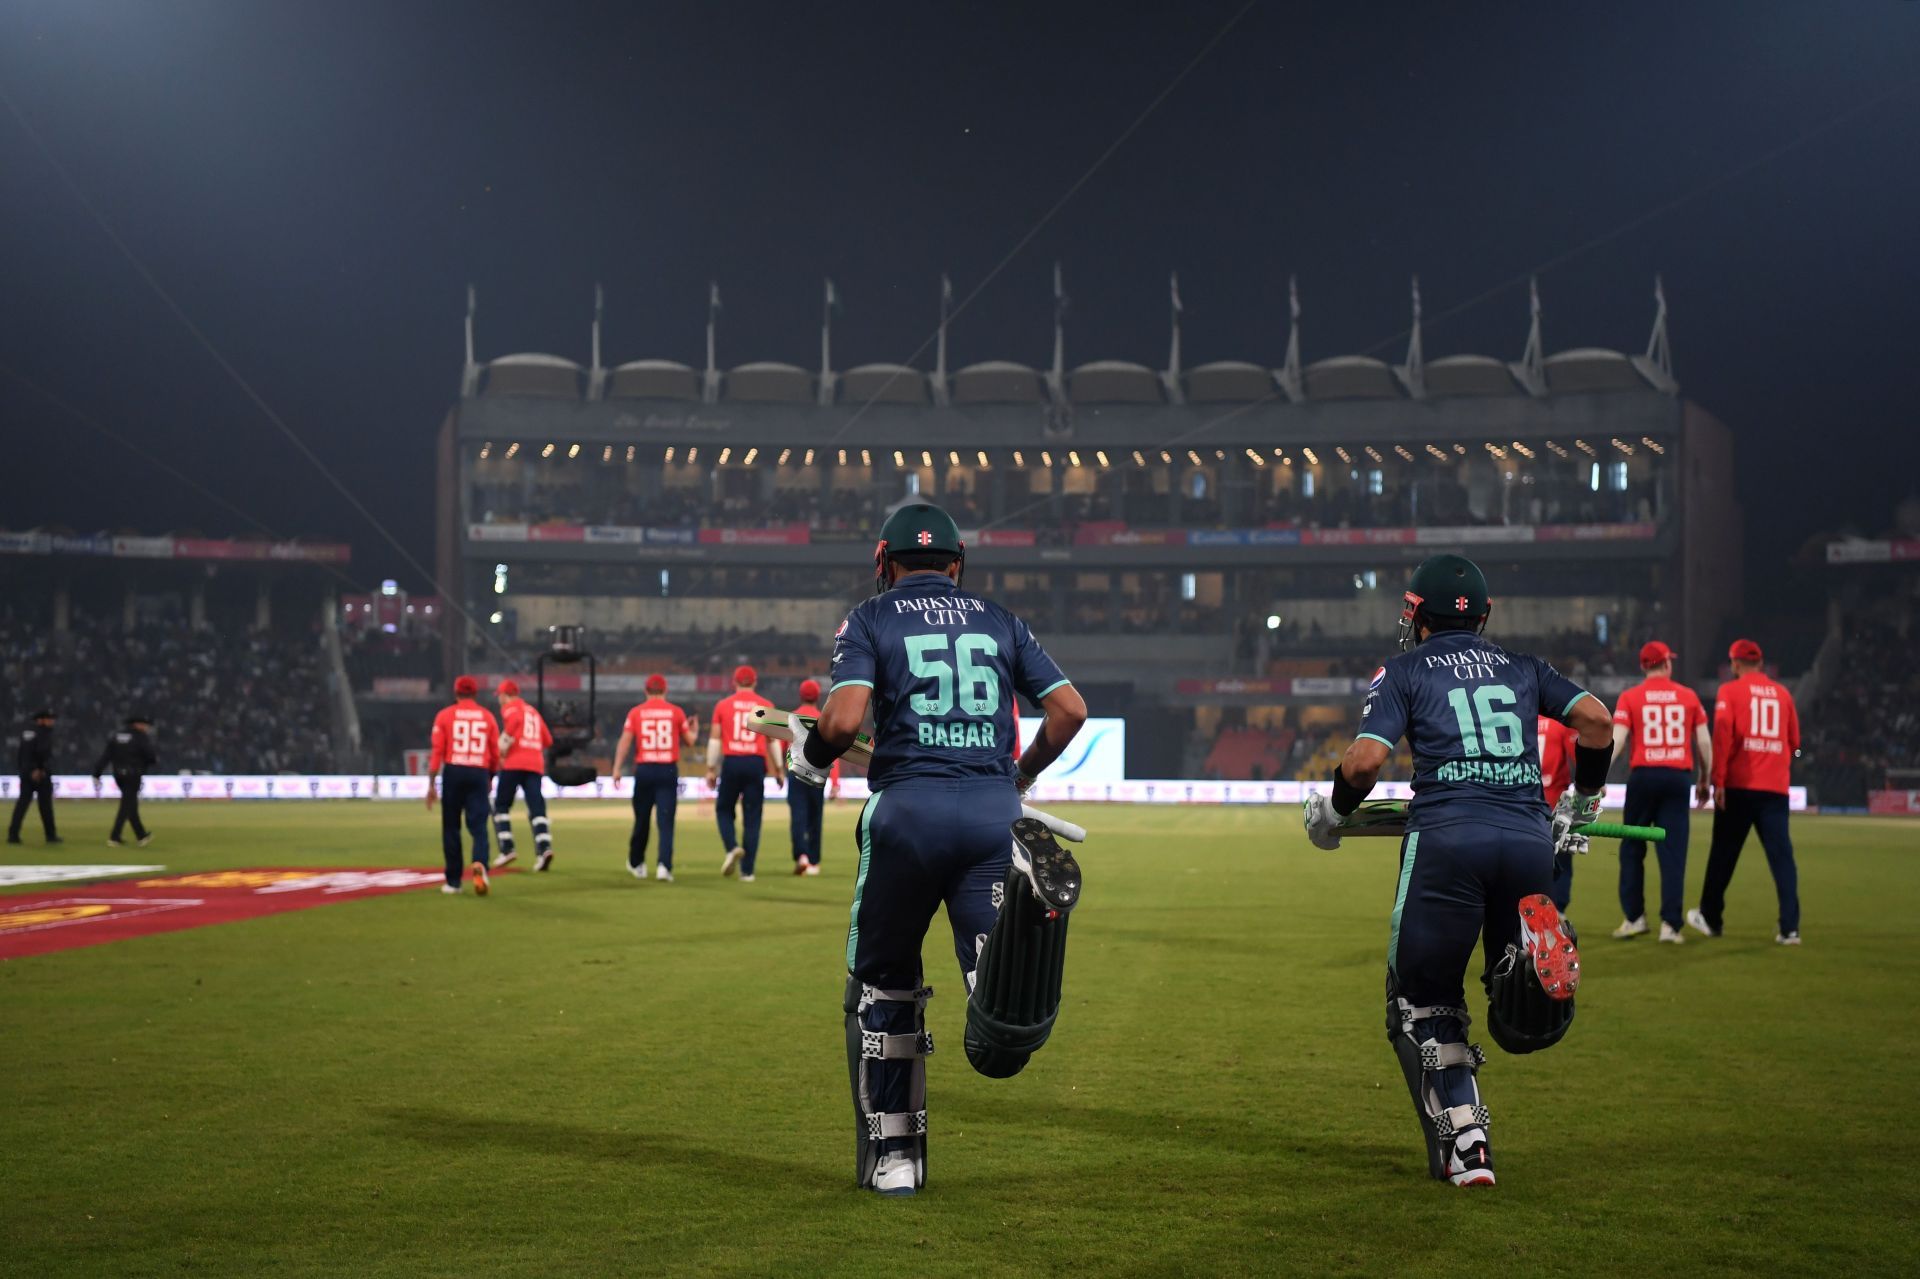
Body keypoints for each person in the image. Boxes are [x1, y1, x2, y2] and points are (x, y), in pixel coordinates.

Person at [787, 502, 1089, 1197]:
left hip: (909, 812)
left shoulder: (869, 617)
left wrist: (811, 758)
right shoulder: (1001, 619)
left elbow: (842, 720)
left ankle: (897, 1159)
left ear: (883, 562)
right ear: (959, 565)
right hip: (993, 812)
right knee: (1000, 1012)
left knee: (883, 982)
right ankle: (1007, 999)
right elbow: (1069, 709)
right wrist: (1024, 771)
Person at [1302, 553, 1614, 1188]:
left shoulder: (1405, 669)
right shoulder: (1525, 667)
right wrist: (1578, 805)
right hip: (1528, 839)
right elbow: (1597, 721)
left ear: (1416, 614)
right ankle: (1523, 969)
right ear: (1485, 615)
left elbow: (1364, 764)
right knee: (1515, 1002)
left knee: (1423, 997)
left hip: (1447, 841)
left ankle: (1466, 1146)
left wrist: (1331, 812)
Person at [1689, 638, 1802, 944]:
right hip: (1775, 790)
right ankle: (1790, 928)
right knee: (1782, 859)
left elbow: (1724, 737)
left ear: (1735, 664)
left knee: (1723, 854)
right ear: (1761, 664)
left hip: (1739, 787)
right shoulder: (1783, 694)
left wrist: (1718, 780)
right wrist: (1785, 759)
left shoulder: (1730, 691)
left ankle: (1711, 918)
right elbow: (1795, 745)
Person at [1609, 641, 1710, 944]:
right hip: (1677, 779)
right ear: (1667, 663)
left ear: (1643, 666)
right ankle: (1671, 926)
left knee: (1631, 850)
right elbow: (1704, 742)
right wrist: (1705, 779)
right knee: (1673, 854)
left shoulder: (1630, 697)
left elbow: (1618, 739)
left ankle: (1634, 918)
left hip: (1643, 778)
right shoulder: (1688, 696)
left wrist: (1598, 775)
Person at [612, 673, 696, 882]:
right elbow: (690, 742)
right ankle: (664, 867)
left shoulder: (636, 713)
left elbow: (625, 741)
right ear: (665, 690)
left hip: (645, 769)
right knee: (666, 821)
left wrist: (616, 768)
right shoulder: (676, 712)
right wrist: (692, 729)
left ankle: (637, 863)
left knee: (642, 819)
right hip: (667, 770)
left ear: (646, 691)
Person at [707, 665, 784, 881]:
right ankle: (747, 871)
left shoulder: (723, 705)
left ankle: (732, 847)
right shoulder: (766, 705)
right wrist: (779, 769)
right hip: (755, 763)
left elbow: (715, 740)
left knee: (723, 809)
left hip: (732, 762)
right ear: (755, 682)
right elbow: (773, 741)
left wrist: (711, 769)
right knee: (753, 817)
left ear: (734, 682)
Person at [425, 675, 500, 896]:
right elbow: (495, 753)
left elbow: (437, 752)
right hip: (478, 771)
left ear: (456, 693)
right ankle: (480, 864)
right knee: (479, 827)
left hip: (454, 771)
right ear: (475, 694)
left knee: (451, 827)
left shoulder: (445, 716)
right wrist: (490, 777)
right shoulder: (487, 717)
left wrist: (431, 783)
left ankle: (454, 881)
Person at [491, 678, 556, 872]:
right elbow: (548, 740)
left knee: (501, 805)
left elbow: (514, 722)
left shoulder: (511, 708)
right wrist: (531, 746)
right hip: (534, 764)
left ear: (505, 695)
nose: (499, 700)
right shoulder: (533, 712)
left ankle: (507, 848)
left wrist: (501, 748)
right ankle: (544, 849)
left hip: (514, 763)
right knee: (537, 808)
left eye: (500, 696)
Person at [786, 678, 839, 875]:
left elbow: (787, 748)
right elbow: (835, 751)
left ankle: (802, 856)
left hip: (796, 772)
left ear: (801, 695)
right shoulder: (824, 718)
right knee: (815, 817)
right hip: (817, 772)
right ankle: (815, 862)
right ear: (818, 697)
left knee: (798, 816)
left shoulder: (791, 717)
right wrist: (835, 782)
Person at [93, 713, 158, 847]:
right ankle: (114, 836)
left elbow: (106, 756)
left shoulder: (116, 736)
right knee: (126, 805)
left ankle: (141, 835)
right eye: (144, 725)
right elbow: (150, 755)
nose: (145, 728)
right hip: (133, 774)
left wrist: (97, 773)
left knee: (130, 804)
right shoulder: (140, 737)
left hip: (118, 775)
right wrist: (149, 762)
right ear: (137, 724)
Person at [1536, 712, 1577, 907]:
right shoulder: (1560, 723)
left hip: (1526, 801)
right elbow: (1578, 755)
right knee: (1561, 861)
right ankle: (1557, 910)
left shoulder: (1519, 718)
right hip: (1557, 800)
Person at [8, 708, 60, 846]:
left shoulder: (26, 733)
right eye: (49, 718)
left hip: (26, 773)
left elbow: (22, 754)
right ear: (41, 720)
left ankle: (13, 834)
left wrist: (25, 771)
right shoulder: (43, 733)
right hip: (40, 774)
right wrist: (39, 769)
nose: (52, 721)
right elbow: (42, 752)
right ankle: (51, 835)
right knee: (45, 806)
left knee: (22, 804)